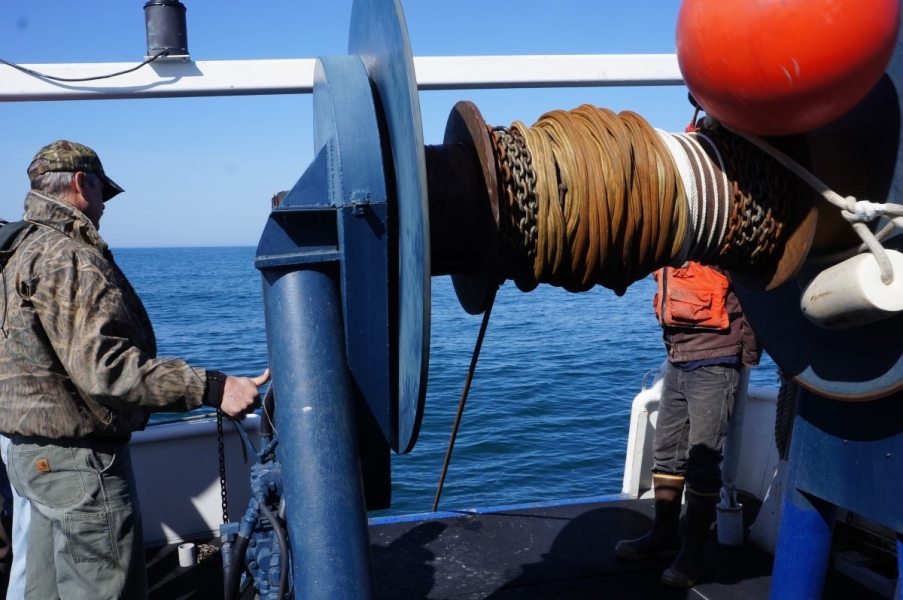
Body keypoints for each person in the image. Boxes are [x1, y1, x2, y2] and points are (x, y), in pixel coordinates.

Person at [0, 140, 269, 599]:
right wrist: (213, 388)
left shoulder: (16, 251)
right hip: (80, 465)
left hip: (31, 457)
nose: (104, 207)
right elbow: (106, 371)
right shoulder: (68, 256)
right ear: (82, 185)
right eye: (103, 192)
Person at [615, 261, 762, 588]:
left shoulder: (723, 241)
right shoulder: (674, 240)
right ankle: (664, 534)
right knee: (665, 451)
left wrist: (747, 355)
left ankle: (693, 553)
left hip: (716, 362)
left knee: (702, 462)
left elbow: (756, 295)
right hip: (677, 357)